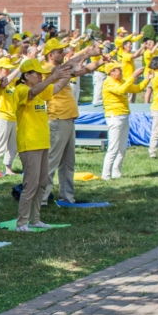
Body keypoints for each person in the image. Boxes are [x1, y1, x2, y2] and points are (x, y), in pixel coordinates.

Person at [14, 60, 71, 231]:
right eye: (36, 73)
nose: (40, 76)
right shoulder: (21, 90)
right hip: (29, 142)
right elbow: (32, 92)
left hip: (42, 141)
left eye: (41, 73)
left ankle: (35, 219)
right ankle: (21, 223)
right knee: (30, 184)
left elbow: (56, 87)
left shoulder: (40, 91)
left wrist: (67, 73)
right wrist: (52, 76)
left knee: (42, 182)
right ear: (25, 75)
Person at [43, 41, 101, 205]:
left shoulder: (62, 70)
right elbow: (70, 64)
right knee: (51, 161)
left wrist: (101, 62)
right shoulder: (47, 69)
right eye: (60, 52)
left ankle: (67, 197)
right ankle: (41, 199)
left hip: (68, 119)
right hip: (57, 119)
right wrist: (87, 54)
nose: (64, 54)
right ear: (50, 55)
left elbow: (83, 70)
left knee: (68, 163)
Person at [100, 62, 145, 180]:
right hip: (115, 117)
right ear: (111, 72)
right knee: (113, 148)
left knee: (122, 148)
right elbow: (121, 90)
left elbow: (137, 88)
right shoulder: (108, 82)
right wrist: (134, 76)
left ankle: (116, 173)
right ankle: (106, 175)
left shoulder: (121, 81)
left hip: (124, 116)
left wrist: (147, 79)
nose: (120, 71)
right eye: (118, 69)